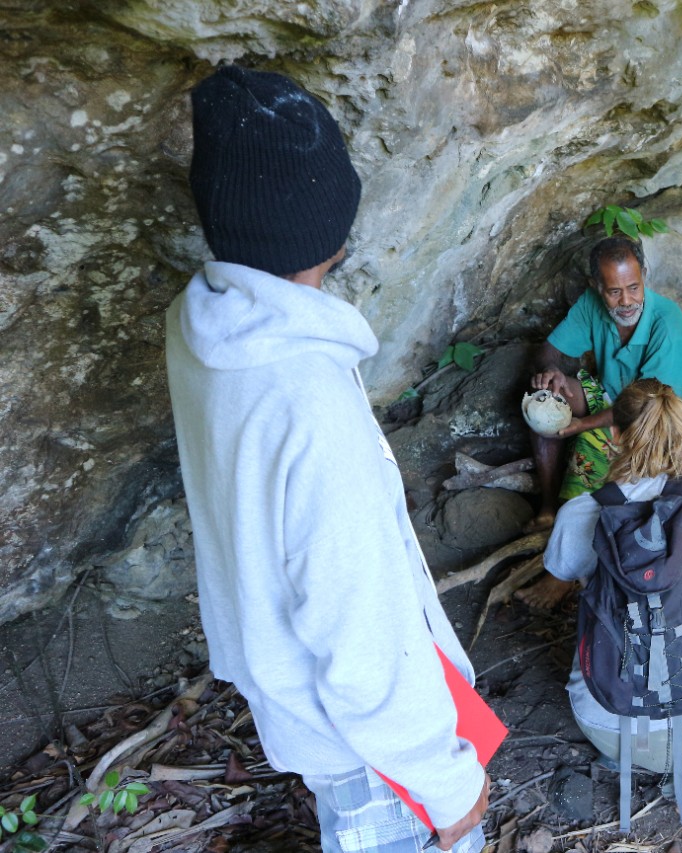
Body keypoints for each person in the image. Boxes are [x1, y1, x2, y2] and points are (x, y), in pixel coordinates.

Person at [167, 66, 489, 853]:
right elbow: (358, 631)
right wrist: (447, 779)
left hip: (304, 712)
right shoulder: (307, 398)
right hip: (378, 758)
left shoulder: (202, 327)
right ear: (332, 229)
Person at [543, 379, 682, 819]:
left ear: (614, 436)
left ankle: (631, 754)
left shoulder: (580, 513)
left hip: (604, 721)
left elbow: (561, 570)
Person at [518, 236, 682, 608]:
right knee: (546, 396)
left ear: (644, 276)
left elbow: (645, 404)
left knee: (599, 450)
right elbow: (549, 351)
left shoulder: (666, 321)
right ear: (596, 287)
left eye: (634, 287)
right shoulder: (592, 305)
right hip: (615, 397)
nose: (626, 301)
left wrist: (583, 426)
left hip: (660, 420)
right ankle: (549, 509)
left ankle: (568, 570)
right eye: (614, 292)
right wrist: (551, 372)